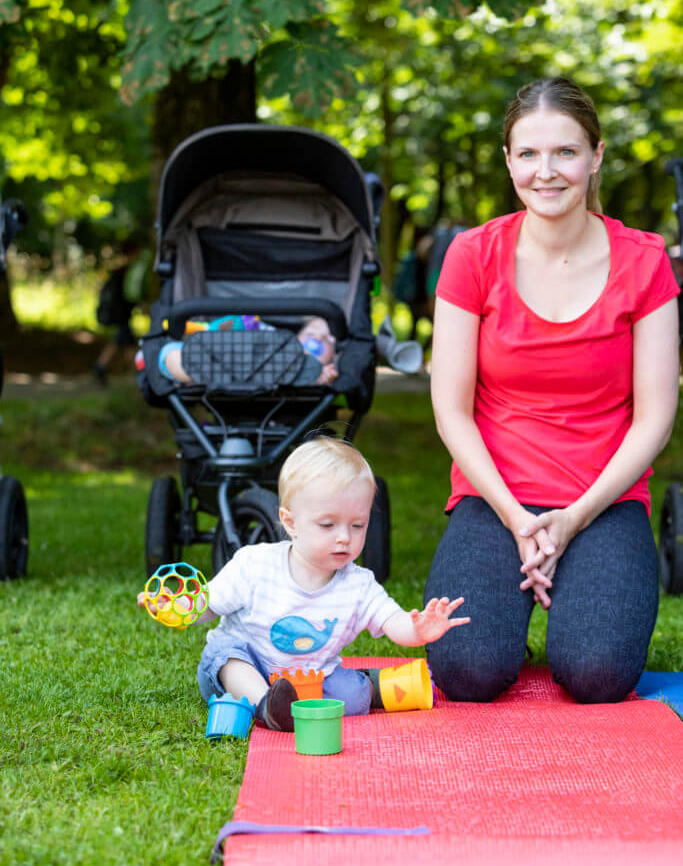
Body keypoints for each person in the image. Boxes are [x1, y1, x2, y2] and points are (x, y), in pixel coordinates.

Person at [424, 76, 680, 706]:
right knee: (467, 671)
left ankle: (575, 593)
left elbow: (655, 419)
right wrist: (516, 518)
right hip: (495, 495)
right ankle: (516, 610)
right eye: (530, 154)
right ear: (509, 160)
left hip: (604, 498)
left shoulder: (645, 261)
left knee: (596, 675)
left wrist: (572, 520)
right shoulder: (471, 254)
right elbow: (451, 411)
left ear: (595, 157)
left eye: (565, 152)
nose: (547, 171)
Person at [140, 437, 470, 731]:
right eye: (327, 524)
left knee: (350, 698)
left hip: (312, 677)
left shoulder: (358, 584)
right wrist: (175, 606)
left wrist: (418, 631)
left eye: (358, 525)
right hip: (248, 666)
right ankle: (267, 706)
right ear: (290, 522)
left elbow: (393, 621)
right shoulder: (255, 565)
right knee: (228, 658)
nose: (344, 537)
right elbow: (207, 606)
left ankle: (371, 686)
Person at [157, 314, 340, 386]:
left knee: (306, 372)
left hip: (280, 378)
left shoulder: (323, 369)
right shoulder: (278, 338)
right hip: (226, 355)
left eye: (326, 339)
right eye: (311, 333)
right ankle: (191, 369)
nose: (317, 339)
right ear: (296, 337)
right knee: (172, 351)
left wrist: (321, 377)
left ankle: (305, 373)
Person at [94, 238, 150, 385]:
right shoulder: (128, 272)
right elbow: (129, 294)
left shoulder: (125, 271)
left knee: (123, 342)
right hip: (121, 314)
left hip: (121, 314)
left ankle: (102, 367)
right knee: (127, 343)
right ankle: (139, 374)